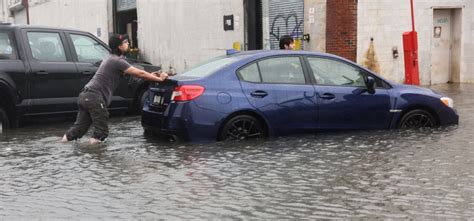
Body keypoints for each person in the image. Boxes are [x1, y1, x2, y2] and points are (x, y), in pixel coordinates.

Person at [61, 34, 168, 145]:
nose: (128, 44)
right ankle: (96, 158)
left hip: (85, 95)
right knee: (100, 133)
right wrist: (159, 79)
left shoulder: (110, 58)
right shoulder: (117, 61)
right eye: (126, 42)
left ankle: (63, 145)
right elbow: (140, 73)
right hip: (94, 98)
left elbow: (139, 72)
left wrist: (154, 75)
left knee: (78, 130)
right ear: (119, 46)